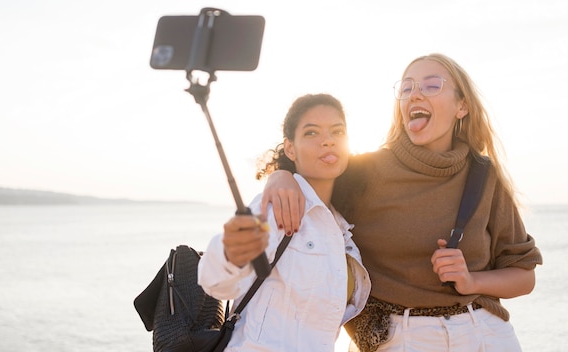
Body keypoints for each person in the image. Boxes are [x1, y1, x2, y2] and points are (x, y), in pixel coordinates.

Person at [258, 53, 543, 351]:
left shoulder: (483, 176)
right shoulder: (364, 173)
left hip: (485, 333)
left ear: (462, 106)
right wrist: (281, 176)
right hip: (401, 338)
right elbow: (308, 167)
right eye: (406, 88)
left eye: (431, 85)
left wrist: (472, 281)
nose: (415, 94)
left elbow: (524, 277)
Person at [197, 93, 371, 351]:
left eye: (337, 131)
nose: (327, 141)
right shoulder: (279, 205)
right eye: (312, 133)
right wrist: (229, 252)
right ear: (290, 148)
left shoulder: (340, 227)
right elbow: (216, 282)